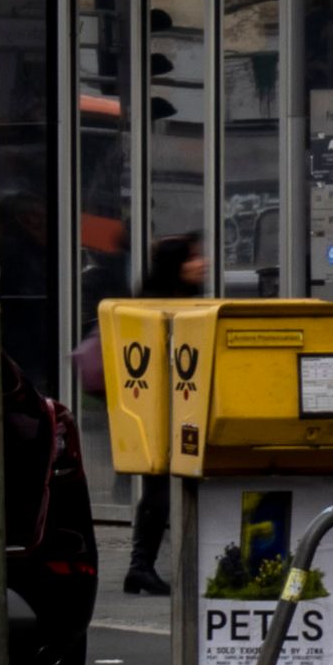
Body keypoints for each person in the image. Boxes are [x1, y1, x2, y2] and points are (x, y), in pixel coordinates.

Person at [121, 232, 207, 593]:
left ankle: (144, 566)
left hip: (183, 408)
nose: (201, 263)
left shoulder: (189, 303)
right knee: (160, 488)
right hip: (164, 411)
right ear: (176, 266)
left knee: (162, 489)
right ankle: (141, 566)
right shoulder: (157, 307)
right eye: (191, 258)